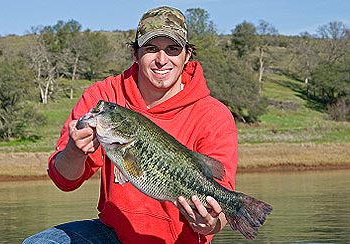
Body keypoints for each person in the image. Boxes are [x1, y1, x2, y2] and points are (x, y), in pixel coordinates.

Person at [23, 5, 238, 244]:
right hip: (113, 235)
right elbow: (64, 180)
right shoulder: (105, 99)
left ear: (187, 55)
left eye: (172, 49)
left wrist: (208, 223)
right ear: (135, 54)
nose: (161, 60)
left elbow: (218, 211)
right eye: (151, 49)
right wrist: (74, 151)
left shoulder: (213, 115)